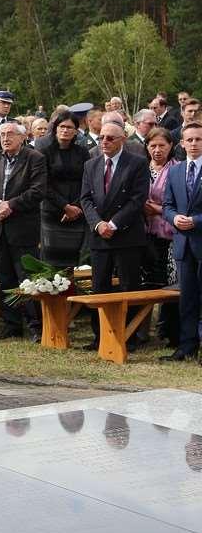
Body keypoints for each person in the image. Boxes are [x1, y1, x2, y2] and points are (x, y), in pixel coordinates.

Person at [80, 119, 150, 351]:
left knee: (128, 287)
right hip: (100, 237)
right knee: (99, 287)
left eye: (110, 138)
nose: (104, 141)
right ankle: (100, 336)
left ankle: (127, 336)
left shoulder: (137, 163)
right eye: (101, 137)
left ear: (122, 140)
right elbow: (86, 199)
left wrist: (114, 223)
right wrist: (98, 224)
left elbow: (137, 199)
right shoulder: (91, 165)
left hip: (127, 236)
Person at [0, 121, 46, 341]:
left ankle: (36, 325)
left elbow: (38, 191)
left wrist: (11, 205)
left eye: (10, 134)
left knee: (27, 279)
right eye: (2, 134)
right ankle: (11, 323)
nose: (5, 138)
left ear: (22, 137)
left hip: (23, 228)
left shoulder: (34, 158)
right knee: (4, 278)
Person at [160, 122, 202, 362]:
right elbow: (166, 205)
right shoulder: (175, 171)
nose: (194, 144)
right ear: (182, 143)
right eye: (190, 140)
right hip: (182, 245)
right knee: (186, 298)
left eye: (198, 139)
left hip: (200, 237)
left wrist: (195, 220)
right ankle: (187, 346)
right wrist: (174, 217)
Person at [142, 127, 179, 347]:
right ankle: (142, 331)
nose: (157, 150)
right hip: (143, 235)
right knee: (146, 285)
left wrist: (156, 209)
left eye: (162, 146)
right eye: (153, 145)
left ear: (171, 146)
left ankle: (169, 331)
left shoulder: (177, 169)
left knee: (172, 285)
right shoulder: (139, 168)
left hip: (170, 235)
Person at [39, 111, 90, 267]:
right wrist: (65, 207)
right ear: (55, 128)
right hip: (53, 212)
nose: (65, 130)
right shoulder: (45, 152)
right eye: (62, 126)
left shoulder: (82, 152)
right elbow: (43, 184)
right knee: (51, 262)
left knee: (73, 260)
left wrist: (75, 207)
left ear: (76, 131)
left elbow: (87, 181)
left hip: (77, 213)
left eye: (70, 127)